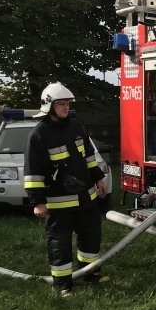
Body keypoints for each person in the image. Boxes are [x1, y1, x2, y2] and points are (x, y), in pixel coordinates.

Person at [24, 82, 108, 297]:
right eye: (61, 104)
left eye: (68, 104)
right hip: (59, 202)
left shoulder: (76, 126)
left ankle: (90, 274)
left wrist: (98, 178)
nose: (65, 108)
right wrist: (38, 202)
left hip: (85, 197)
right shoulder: (39, 134)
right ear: (49, 105)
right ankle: (63, 285)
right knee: (59, 243)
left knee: (91, 236)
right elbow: (33, 172)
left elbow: (89, 156)